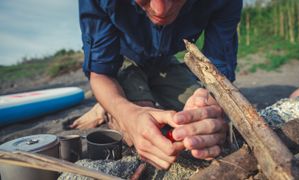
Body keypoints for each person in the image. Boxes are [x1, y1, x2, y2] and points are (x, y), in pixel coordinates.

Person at [73, 0, 242, 169]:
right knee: (142, 125)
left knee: (198, 115)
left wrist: (210, 104)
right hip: (122, 60)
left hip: (165, 62)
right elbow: (101, 73)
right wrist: (129, 114)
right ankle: (106, 104)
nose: (160, 11)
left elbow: (218, 72)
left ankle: (108, 101)